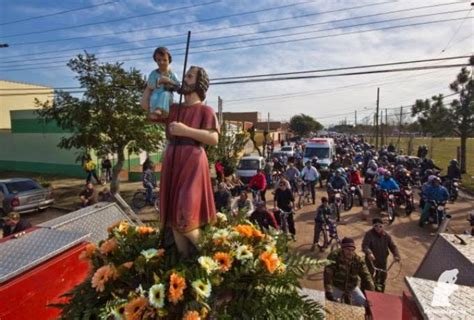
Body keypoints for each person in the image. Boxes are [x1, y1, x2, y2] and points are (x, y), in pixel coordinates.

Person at [150, 65, 219, 257]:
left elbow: (213, 138)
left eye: (189, 76)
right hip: (173, 159)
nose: (185, 79)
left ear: (199, 83)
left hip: (193, 161)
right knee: (173, 218)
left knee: (185, 218)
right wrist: (150, 87)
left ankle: (214, 258)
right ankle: (184, 262)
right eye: (185, 76)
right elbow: (148, 112)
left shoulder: (206, 110)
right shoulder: (174, 109)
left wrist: (185, 131)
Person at [324, 237, 374, 307]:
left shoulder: (358, 259)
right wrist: (328, 291)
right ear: (342, 249)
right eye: (347, 249)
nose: (350, 252)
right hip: (337, 286)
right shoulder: (334, 256)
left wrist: (370, 296)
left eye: (352, 250)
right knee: (329, 306)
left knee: (365, 304)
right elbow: (328, 274)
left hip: (352, 287)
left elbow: (366, 276)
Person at [362, 218, 401, 292]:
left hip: (382, 260)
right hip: (371, 261)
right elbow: (365, 246)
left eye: (380, 226)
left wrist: (396, 255)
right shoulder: (369, 234)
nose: (378, 228)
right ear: (373, 226)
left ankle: (380, 294)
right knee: (367, 277)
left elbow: (393, 246)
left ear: (383, 226)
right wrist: (369, 253)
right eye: (376, 226)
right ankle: (364, 292)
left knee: (382, 279)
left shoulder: (386, 236)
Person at [141, 47, 180, 117]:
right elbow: (150, 85)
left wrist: (169, 81)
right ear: (156, 60)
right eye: (159, 60)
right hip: (156, 93)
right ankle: (154, 114)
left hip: (167, 96)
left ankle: (161, 110)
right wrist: (159, 81)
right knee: (153, 97)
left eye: (164, 60)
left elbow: (178, 85)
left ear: (169, 60)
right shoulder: (153, 73)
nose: (161, 62)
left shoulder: (172, 74)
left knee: (165, 94)